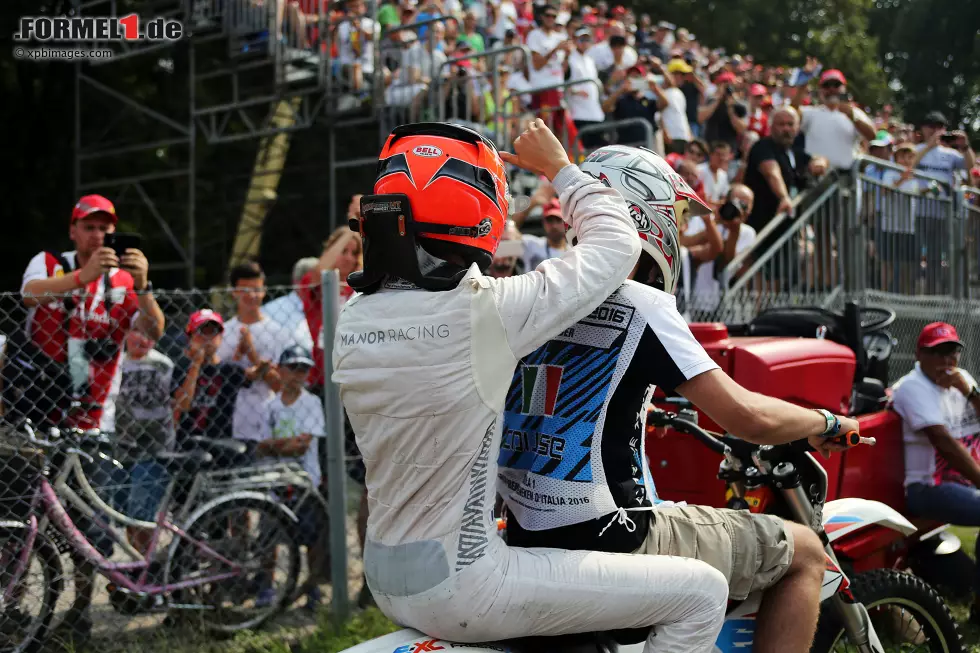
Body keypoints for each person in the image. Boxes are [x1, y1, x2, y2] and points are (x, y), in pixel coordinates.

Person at [332, 120, 729, 652]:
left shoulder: (354, 316)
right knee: (702, 592)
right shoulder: (485, 312)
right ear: (482, 206)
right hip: (467, 584)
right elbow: (616, 246)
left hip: (386, 576)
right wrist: (560, 167)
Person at [498, 155, 853, 653]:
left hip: (529, 532)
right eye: (679, 218)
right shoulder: (642, 305)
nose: (682, 232)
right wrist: (826, 420)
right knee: (805, 553)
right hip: (615, 534)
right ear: (651, 216)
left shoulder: (537, 288)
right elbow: (746, 416)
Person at [19, 193, 165, 642]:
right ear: (73, 230)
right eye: (89, 227)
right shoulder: (47, 262)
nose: (98, 235)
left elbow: (154, 330)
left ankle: (79, 611)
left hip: (93, 422)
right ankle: (14, 602)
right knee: (23, 514)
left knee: (91, 525)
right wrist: (80, 279)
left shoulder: (122, 280)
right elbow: (26, 295)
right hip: (39, 415)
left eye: (105, 228)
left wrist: (142, 287)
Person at [891, 323, 980, 625]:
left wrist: (970, 392)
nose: (946, 361)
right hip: (926, 488)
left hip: (963, 482)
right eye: (937, 353)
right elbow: (944, 445)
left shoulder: (961, 380)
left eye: (951, 352)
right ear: (919, 354)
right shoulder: (913, 387)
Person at [254, 345, 327, 610]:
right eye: (293, 367)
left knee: (311, 539)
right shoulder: (269, 405)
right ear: (280, 371)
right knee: (268, 539)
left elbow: (302, 445)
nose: (298, 374)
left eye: (304, 369)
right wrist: (283, 444)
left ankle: (312, 588)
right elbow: (261, 446)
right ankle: (266, 586)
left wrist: (276, 444)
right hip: (274, 480)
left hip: (305, 481)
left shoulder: (312, 403)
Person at [216, 261, 285, 445]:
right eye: (245, 290)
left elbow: (280, 385)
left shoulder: (278, 332)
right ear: (234, 292)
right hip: (230, 418)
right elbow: (219, 377)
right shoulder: (224, 331)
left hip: (267, 416)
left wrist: (252, 354)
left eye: (257, 289)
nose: (252, 296)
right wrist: (238, 356)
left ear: (264, 291)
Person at [791, 69, 875, 173]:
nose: (831, 89)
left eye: (836, 85)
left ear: (844, 88)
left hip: (845, 177)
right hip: (816, 176)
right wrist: (803, 85)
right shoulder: (812, 113)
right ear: (820, 89)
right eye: (826, 85)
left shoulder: (855, 113)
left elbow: (872, 136)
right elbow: (790, 114)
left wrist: (853, 118)